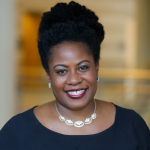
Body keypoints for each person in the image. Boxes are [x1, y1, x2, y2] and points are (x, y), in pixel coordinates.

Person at [0, 1, 150, 150]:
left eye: (83, 67)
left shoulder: (132, 126)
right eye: (61, 71)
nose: (74, 80)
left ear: (96, 67)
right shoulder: (18, 132)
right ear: (48, 75)